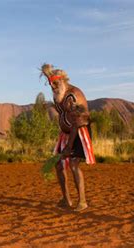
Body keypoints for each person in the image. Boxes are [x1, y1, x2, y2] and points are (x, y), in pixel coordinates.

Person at [41, 63, 96, 212]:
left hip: (79, 132)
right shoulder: (60, 92)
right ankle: (66, 200)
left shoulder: (73, 96)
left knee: (73, 164)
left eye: (55, 83)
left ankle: (82, 201)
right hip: (66, 133)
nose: (52, 86)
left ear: (64, 81)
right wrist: (47, 73)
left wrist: (69, 146)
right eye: (50, 83)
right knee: (58, 165)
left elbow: (76, 122)